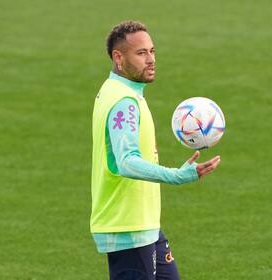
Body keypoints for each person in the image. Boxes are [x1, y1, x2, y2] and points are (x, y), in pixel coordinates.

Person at [90, 20, 221, 280]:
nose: (150, 59)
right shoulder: (124, 102)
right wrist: (176, 175)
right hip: (128, 227)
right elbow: (126, 161)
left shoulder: (122, 91)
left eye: (152, 51)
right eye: (141, 53)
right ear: (118, 58)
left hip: (144, 224)